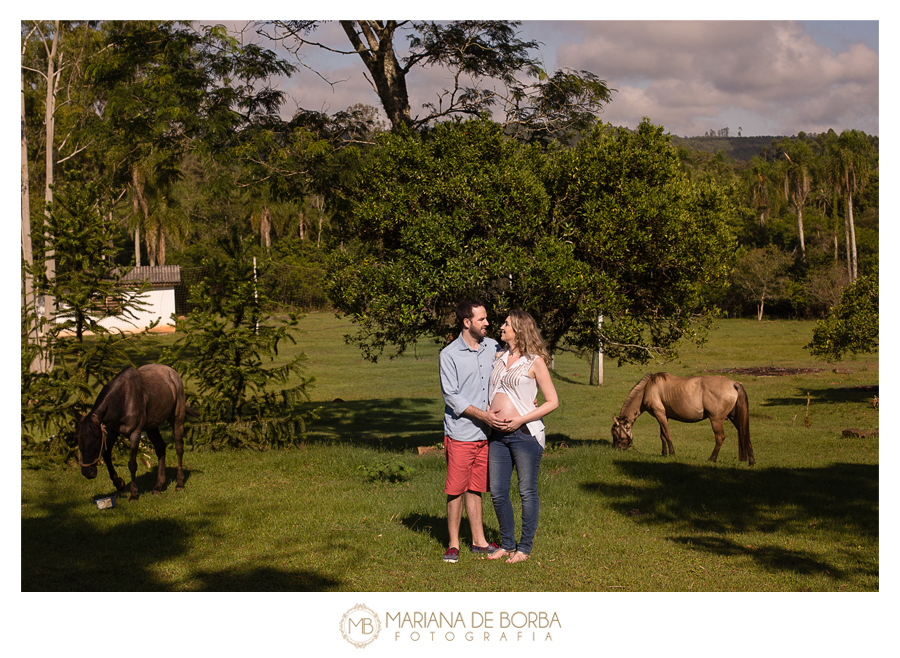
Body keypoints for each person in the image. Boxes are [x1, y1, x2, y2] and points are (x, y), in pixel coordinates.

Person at [486, 310, 559, 564]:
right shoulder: (498, 356)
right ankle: (507, 544)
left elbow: (552, 401)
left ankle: (524, 548)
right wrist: (488, 411)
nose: (502, 326)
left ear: (519, 329)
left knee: (527, 491)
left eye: (507, 323)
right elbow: (492, 389)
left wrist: (520, 418)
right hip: (496, 434)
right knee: (497, 491)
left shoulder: (534, 361)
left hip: (525, 434)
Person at [438, 299, 502, 563]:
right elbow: (452, 397)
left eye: (486, 318)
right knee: (456, 489)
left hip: (485, 435)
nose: (487, 323)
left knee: (475, 488)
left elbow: (509, 373)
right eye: (482, 319)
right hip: (461, 433)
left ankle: (479, 541)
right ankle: (453, 544)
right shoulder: (449, 355)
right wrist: (483, 415)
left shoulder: (493, 347)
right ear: (467, 323)